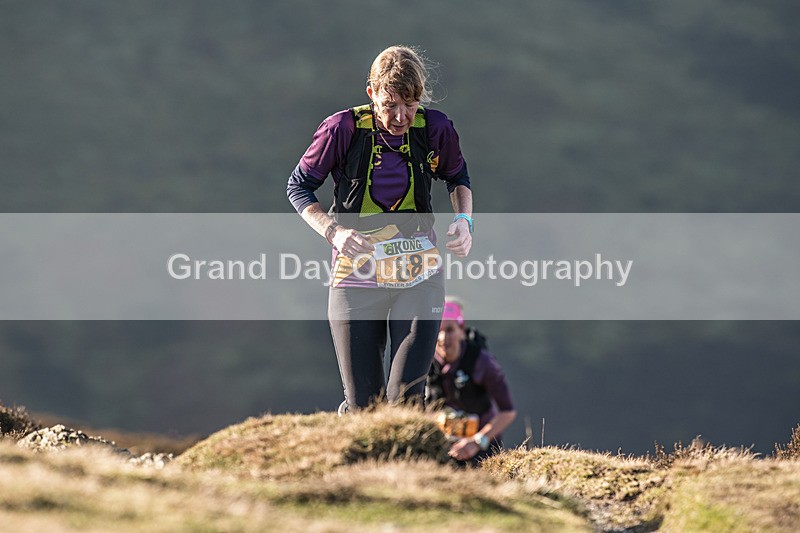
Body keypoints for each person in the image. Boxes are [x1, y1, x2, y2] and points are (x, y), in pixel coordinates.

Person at [287, 45, 473, 413]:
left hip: (419, 274)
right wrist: (333, 232)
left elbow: (457, 177)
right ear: (371, 93)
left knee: (406, 401)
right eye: (390, 105)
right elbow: (298, 186)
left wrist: (464, 221)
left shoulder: (436, 128)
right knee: (364, 409)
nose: (401, 116)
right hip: (356, 275)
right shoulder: (342, 128)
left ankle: (411, 470)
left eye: (411, 103)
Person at [427, 298, 516, 463]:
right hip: (440, 445)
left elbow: (507, 412)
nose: (443, 337)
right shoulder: (424, 361)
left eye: (450, 329)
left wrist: (476, 441)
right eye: (437, 330)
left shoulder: (482, 362)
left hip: (482, 447)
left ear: (461, 331)